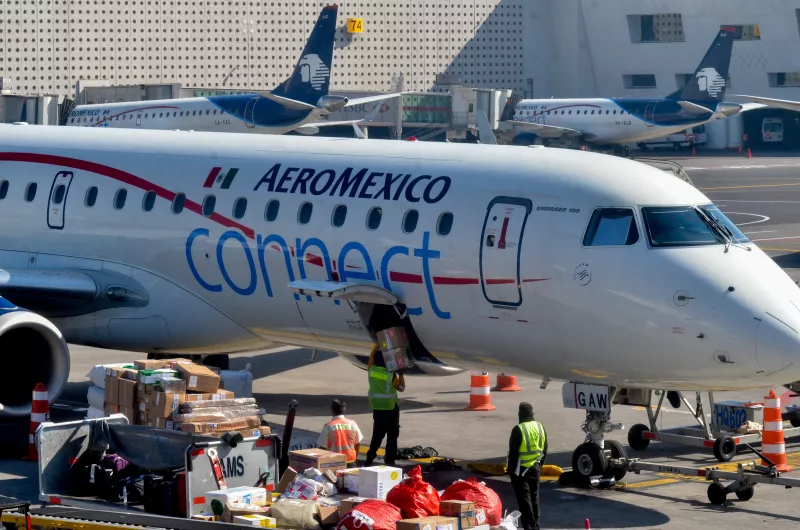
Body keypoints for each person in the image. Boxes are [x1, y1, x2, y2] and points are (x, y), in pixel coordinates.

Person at [507, 402, 547, 530]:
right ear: (532, 414)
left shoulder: (518, 429)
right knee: (534, 497)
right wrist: (539, 465)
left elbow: (513, 454)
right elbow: (545, 449)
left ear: (520, 414)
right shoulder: (540, 427)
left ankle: (529, 526)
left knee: (524, 499)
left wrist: (511, 471)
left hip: (521, 469)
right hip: (535, 467)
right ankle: (536, 525)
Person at [365, 343, 405, 467]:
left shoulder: (371, 370)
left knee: (377, 434)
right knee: (392, 435)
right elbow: (401, 388)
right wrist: (401, 374)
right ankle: (389, 460)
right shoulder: (390, 375)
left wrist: (378, 344)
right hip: (390, 408)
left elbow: (371, 356)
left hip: (377, 407)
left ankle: (370, 457)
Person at [317, 399, 363, 468]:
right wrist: (354, 458)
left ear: (332, 411)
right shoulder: (353, 424)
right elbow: (357, 443)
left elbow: (322, 448)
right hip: (350, 462)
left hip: (334, 463)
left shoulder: (328, 427)